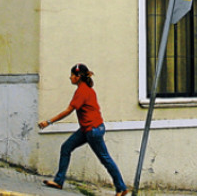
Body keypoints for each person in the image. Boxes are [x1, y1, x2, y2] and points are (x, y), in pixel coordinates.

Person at [39, 63, 129, 196]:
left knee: (105, 159)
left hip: (93, 131)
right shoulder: (86, 89)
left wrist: (48, 122)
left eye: (72, 75)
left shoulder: (82, 91)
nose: (70, 78)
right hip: (88, 129)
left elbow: (68, 111)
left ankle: (121, 189)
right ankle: (58, 181)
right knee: (66, 147)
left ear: (78, 77)